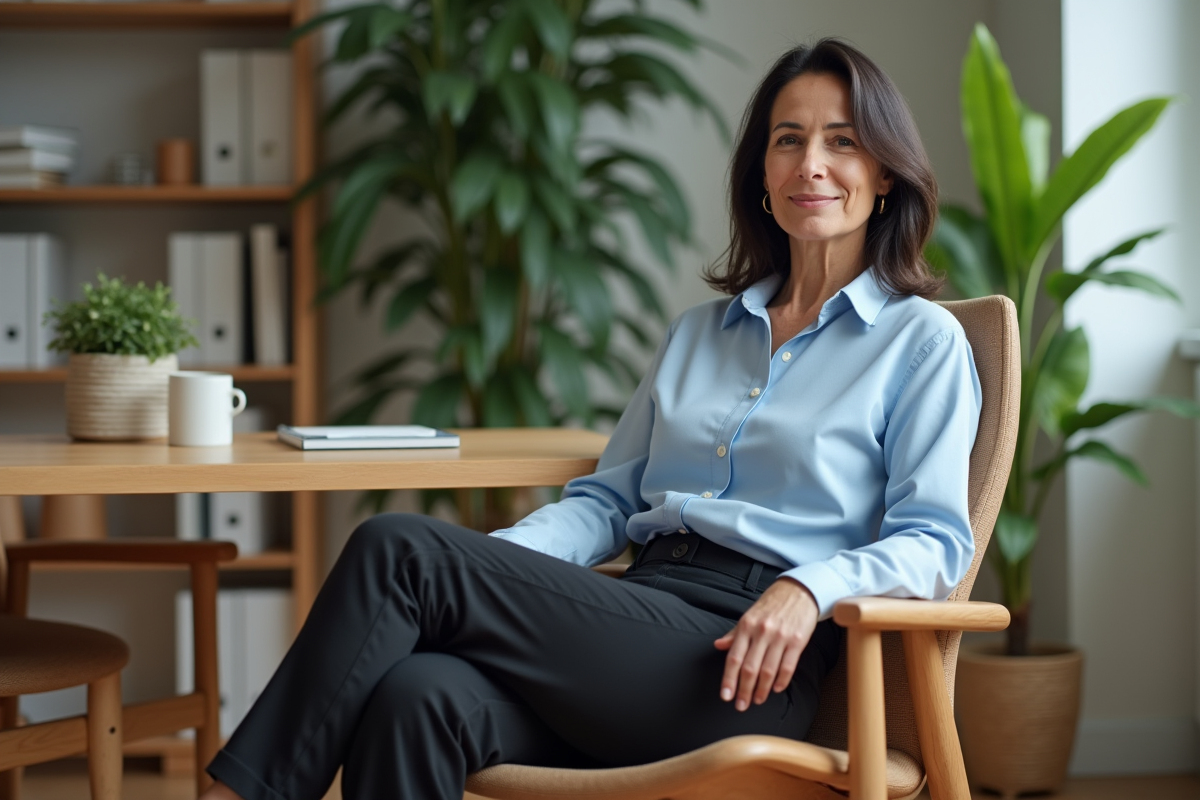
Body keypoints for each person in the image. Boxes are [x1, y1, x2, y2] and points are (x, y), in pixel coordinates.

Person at [201, 37, 980, 800]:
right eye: (789, 139)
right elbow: (608, 504)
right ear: (762, 178)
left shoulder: (920, 342)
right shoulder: (698, 334)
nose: (811, 163)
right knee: (418, 694)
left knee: (397, 549)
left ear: (883, 176)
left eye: (841, 142)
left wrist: (810, 589)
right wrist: (494, 575)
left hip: (741, 658)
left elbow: (936, 542)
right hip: (632, 620)